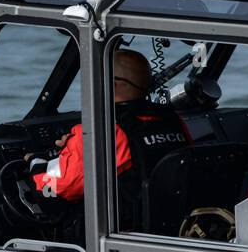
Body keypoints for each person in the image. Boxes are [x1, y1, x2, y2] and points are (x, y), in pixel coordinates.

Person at [32, 49, 191, 206]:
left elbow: (51, 193)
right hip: (173, 222)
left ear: (111, 84)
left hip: (125, 229)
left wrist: (35, 163)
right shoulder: (173, 120)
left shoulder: (102, 130)